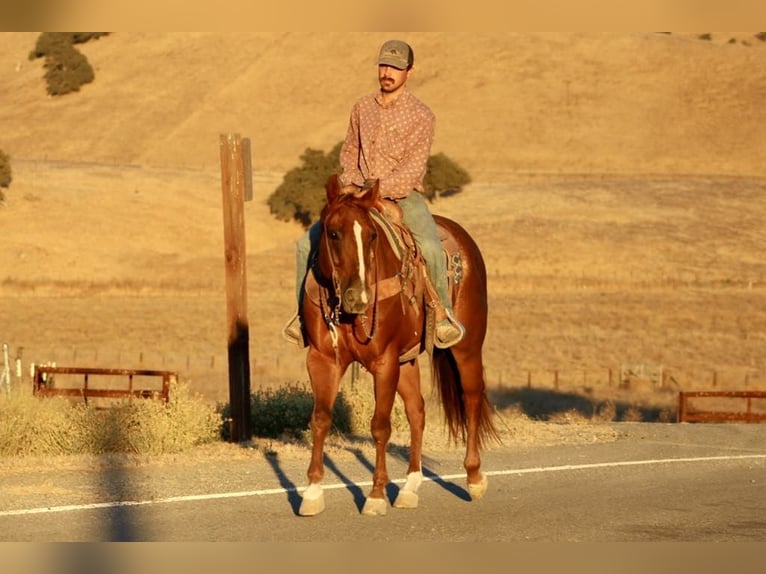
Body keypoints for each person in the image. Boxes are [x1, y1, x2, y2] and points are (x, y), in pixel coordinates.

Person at [283, 39, 465, 349]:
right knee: (304, 245)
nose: (387, 72)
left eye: (395, 67)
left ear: (409, 71)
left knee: (432, 250)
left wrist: (379, 194)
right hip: (357, 194)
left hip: (402, 196)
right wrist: (354, 185)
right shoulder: (361, 108)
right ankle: (302, 318)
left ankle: (443, 314)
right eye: (383, 65)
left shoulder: (422, 115)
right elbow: (350, 150)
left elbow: (413, 167)